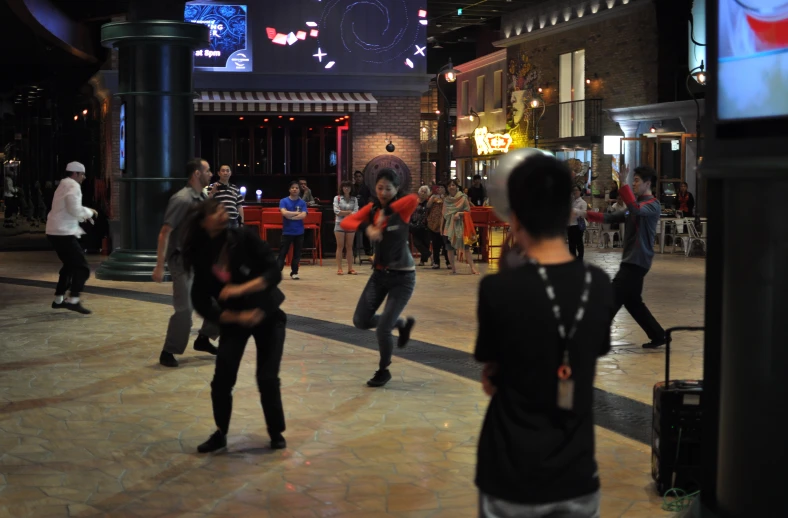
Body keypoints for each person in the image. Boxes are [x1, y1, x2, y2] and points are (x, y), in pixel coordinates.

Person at [475, 154, 614, 518]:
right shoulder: (598, 286)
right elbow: (591, 354)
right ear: (569, 213)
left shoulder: (496, 289)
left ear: (514, 216)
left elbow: (492, 379)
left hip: (509, 469)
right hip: (576, 470)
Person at [181, 199, 288, 454]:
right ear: (204, 222)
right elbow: (200, 300)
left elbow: (274, 272)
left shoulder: (242, 237)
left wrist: (241, 289)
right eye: (215, 211)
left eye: (222, 209)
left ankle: (276, 432)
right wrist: (234, 318)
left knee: (267, 378)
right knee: (222, 380)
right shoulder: (202, 253)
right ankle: (221, 433)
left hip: (267, 314)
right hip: (236, 319)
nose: (223, 213)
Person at [340, 168, 418, 387]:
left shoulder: (403, 208)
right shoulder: (372, 208)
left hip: (403, 278)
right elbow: (347, 223)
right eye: (380, 187)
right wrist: (367, 227)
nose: (383, 192)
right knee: (360, 321)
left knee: (383, 328)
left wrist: (386, 214)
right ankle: (400, 323)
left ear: (396, 189)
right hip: (379, 275)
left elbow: (413, 198)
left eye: (388, 188)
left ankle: (383, 370)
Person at [579, 165, 666, 349]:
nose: (634, 184)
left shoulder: (652, 205)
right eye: (633, 180)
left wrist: (622, 183)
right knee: (633, 302)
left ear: (647, 183)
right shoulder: (637, 204)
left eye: (636, 181)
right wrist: (583, 213)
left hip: (638, 261)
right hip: (632, 260)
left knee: (611, 298)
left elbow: (636, 210)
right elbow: (612, 218)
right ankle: (659, 335)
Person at [152, 158, 221, 367]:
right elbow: (165, 232)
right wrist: (158, 265)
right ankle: (168, 351)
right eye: (208, 171)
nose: (212, 174)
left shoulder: (202, 197)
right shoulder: (181, 199)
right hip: (182, 262)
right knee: (185, 310)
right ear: (197, 174)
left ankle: (204, 338)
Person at [45, 161, 98, 315]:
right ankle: (74, 300)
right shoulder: (73, 186)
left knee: (69, 265)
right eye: (82, 175)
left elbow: (67, 209)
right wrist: (90, 212)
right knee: (82, 268)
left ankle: (58, 299)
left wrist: (84, 215)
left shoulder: (62, 185)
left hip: (55, 231)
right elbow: (74, 209)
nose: (84, 178)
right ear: (76, 174)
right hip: (63, 233)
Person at [443, 179, 480, 275]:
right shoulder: (446, 200)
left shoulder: (463, 198)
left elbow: (468, 212)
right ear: (447, 188)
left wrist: (459, 213)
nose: (451, 187)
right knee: (449, 248)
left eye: (453, 185)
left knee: (466, 247)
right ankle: (453, 268)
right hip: (449, 226)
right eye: (449, 185)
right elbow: (444, 213)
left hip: (462, 225)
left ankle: (473, 268)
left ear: (457, 187)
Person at [278, 181, 308, 280]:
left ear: (299, 190)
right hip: (287, 232)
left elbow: (303, 215)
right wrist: (296, 213)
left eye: (297, 188)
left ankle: (294, 272)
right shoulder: (283, 201)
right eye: (293, 188)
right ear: (289, 189)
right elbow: (284, 213)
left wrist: (291, 216)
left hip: (299, 232)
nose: (295, 189)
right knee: (282, 253)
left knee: (297, 254)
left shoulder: (302, 202)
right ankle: (277, 273)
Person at [333, 180, 359, 275]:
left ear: (351, 188)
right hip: (340, 223)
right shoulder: (337, 198)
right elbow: (336, 211)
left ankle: (350, 268)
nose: (346, 188)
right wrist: (348, 212)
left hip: (351, 224)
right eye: (344, 187)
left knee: (349, 246)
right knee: (340, 246)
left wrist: (344, 212)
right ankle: (339, 268)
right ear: (342, 188)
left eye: (348, 187)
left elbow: (356, 212)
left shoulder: (354, 199)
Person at [426, 184, 450, 269]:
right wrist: (431, 199)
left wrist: (443, 199)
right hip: (433, 222)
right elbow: (428, 206)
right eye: (439, 187)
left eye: (442, 187)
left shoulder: (448, 197)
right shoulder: (433, 197)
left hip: (444, 223)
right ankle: (436, 262)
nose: (440, 189)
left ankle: (448, 262)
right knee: (435, 244)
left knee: (445, 244)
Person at [409, 186, 432, 267]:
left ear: (427, 194)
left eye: (425, 192)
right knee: (417, 242)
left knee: (425, 242)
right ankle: (429, 254)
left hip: (424, 225)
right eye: (422, 191)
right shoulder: (415, 202)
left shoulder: (428, 203)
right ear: (419, 192)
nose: (423, 193)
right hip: (414, 224)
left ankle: (423, 260)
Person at [353, 171, 372, 256]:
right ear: (354, 178)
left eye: (359, 176)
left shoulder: (366, 188)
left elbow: (369, 199)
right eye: (356, 176)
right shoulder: (352, 188)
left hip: (364, 213)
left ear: (362, 177)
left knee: (365, 231)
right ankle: (353, 251)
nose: (358, 178)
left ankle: (367, 250)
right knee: (353, 232)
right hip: (354, 213)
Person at [568, 185, 588, 260]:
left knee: (578, 243)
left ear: (580, 192)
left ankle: (580, 258)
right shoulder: (570, 201)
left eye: (576, 190)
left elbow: (584, 213)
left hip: (578, 225)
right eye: (574, 190)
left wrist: (575, 211)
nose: (575, 191)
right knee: (571, 244)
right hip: (570, 224)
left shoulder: (583, 202)